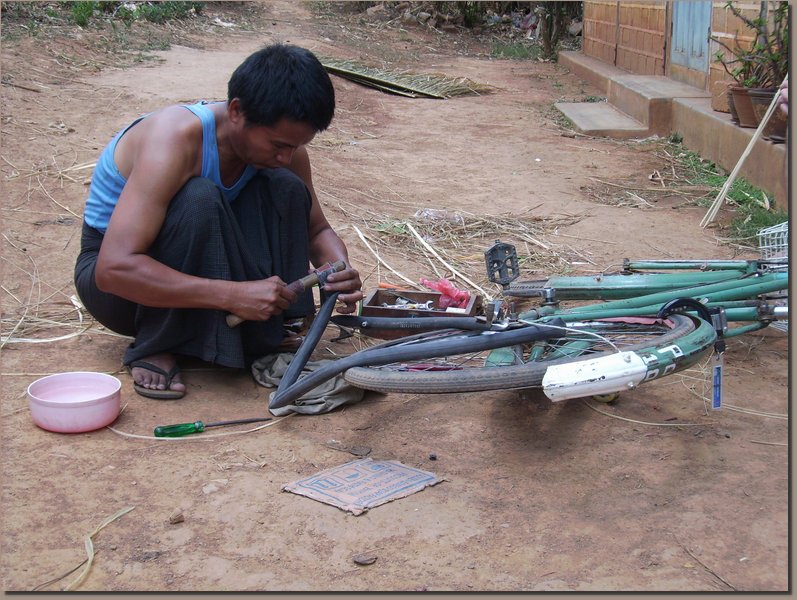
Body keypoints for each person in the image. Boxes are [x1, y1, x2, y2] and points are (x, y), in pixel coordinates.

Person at [74, 44, 363, 400]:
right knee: (199, 198)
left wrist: (338, 267)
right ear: (237, 111)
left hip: (205, 264)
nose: (287, 155)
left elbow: (316, 230)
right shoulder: (175, 139)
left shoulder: (284, 151)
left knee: (286, 186)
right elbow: (113, 270)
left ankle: (269, 332)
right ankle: (155, 343)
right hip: (120, 293)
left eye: (296, 145)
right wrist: (232, 295)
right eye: (278, 145)